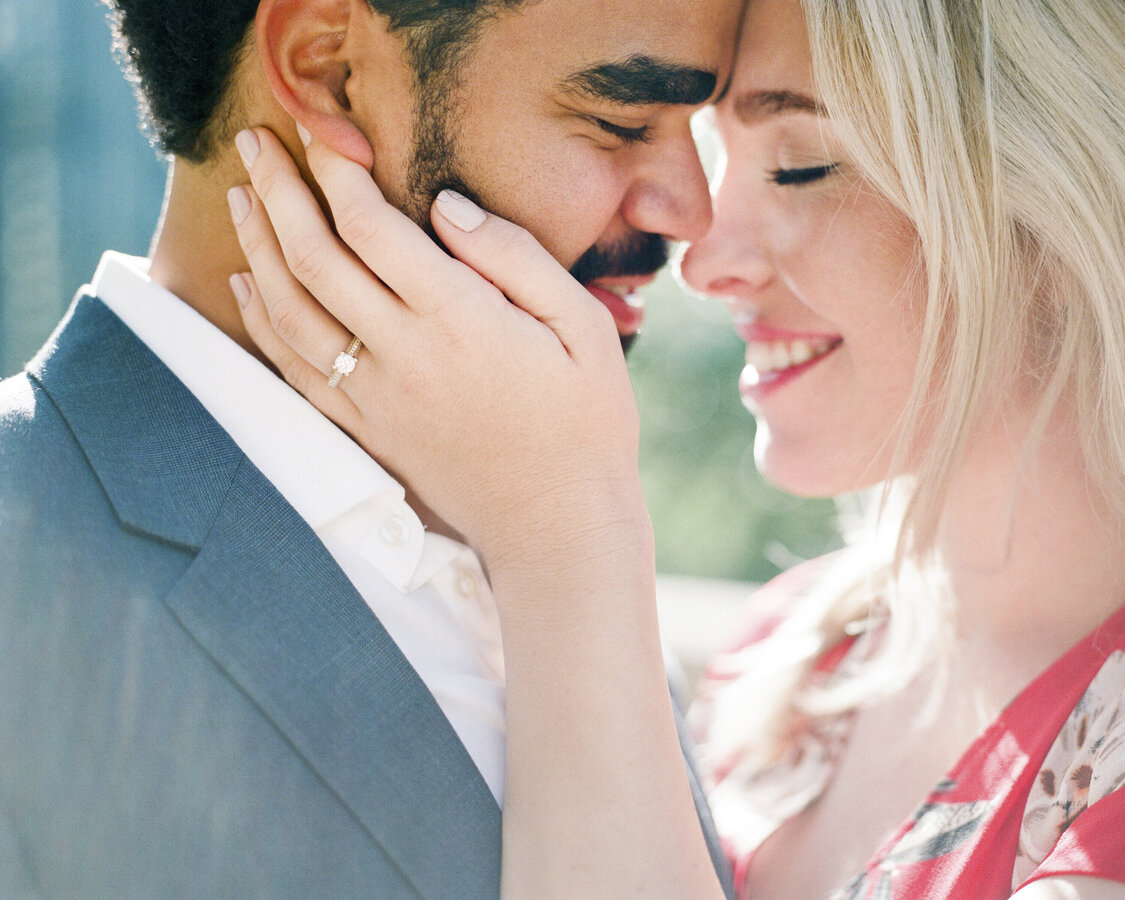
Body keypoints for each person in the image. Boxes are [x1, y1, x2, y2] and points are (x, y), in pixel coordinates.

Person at [226, 0, 1125, 896]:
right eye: (717, 153)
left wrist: (564, 540)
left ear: (1071, 219)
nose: (702, 257)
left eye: (802, 165)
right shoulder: (777, 667)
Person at [0, 0, 742, 895]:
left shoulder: (564, 503)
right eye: (621, 122)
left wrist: (570, 540)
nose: (693, 212)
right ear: (327, 69)